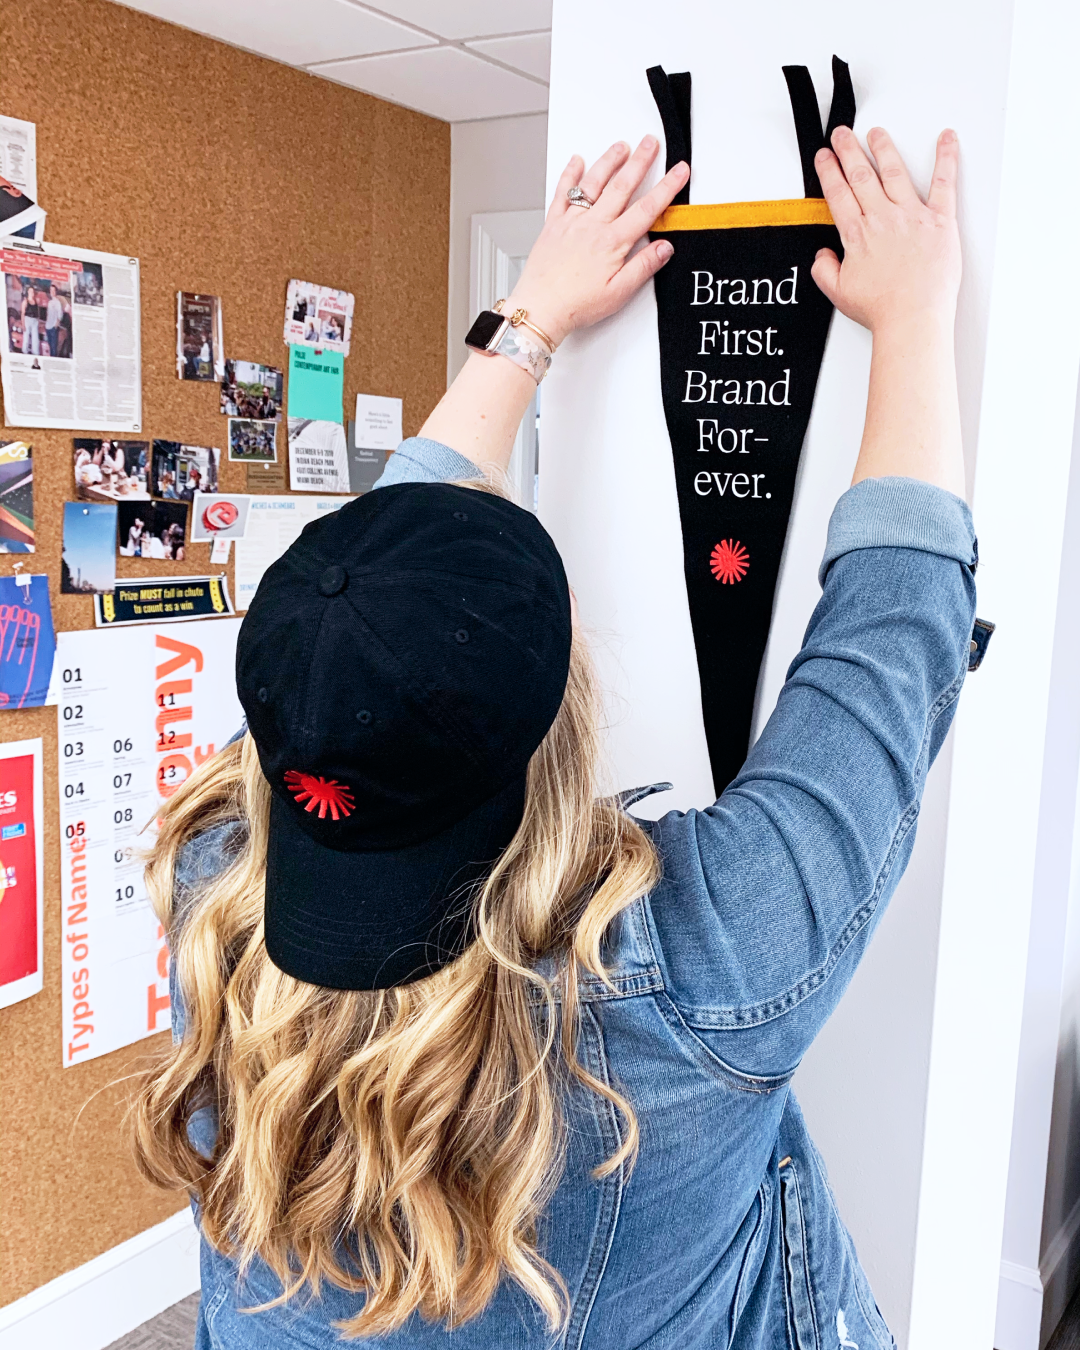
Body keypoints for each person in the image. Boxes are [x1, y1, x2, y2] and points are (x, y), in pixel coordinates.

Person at [132, 125, 973, 1349]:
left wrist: (527, 318)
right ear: (558, 720)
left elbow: (371, 621)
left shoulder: (214, 891)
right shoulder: (706, 961)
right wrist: (916, 319)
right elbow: (889, 642)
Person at [45, 283, 62, 357]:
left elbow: (60, 314)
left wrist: (55, 325)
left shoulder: (58, 302)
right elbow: (48, 314)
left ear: (56, 292)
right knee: (50, 346)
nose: (52, 292)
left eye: (53, 290)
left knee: (53, 348)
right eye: (50, 290)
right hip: (48, 327)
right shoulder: (49, 302)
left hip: (53, 328)